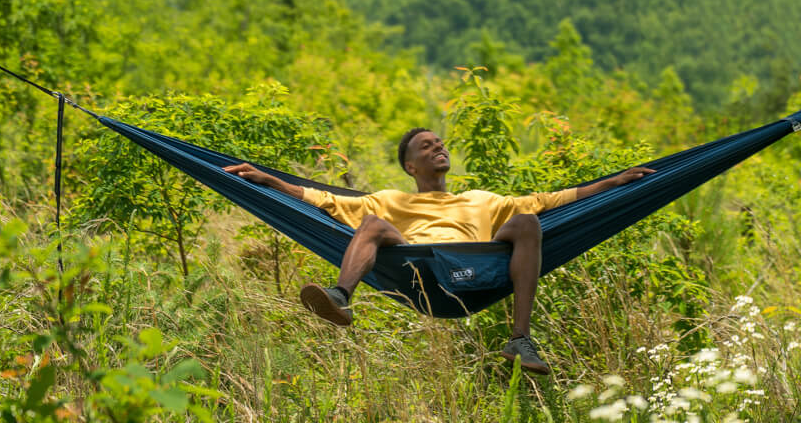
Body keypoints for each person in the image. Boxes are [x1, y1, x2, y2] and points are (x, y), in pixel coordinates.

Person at [223, 127, 653, 374]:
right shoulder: (389, 200)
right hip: (419, 270)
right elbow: (324, 200)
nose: (438, 148)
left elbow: (553, 200)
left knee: (527, 222)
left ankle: (520, 340)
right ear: (411, 166)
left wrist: (612, 184)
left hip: (476, 269)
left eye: (441, 143)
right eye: (427, 146)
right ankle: (339, 299)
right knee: (371, 223)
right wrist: (272, 182)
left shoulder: (484, 201)